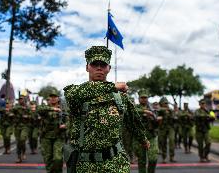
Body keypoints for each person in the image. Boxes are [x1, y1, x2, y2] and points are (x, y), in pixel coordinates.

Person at [63, 45, 150, 173]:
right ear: (87, 67)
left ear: (109, 68)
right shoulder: (77, 94)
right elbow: (71, 93)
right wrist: (113, 86)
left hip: (116, 162)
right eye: (94, 64)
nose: (99, 67)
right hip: (86, 165)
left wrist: (143, 139)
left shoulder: (120, 97)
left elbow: (133, 121)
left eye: (103, 64)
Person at [38, 90, 68, 173]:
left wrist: (65, 125)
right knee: (48, 159)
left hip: (59, 137)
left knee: (58, 158)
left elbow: (70, 121)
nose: (53, 98)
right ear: (49, 98)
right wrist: (53, 109)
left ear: (58, 98)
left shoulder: (63, 109)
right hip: (46, 137)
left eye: (55, 97)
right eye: (51, 97)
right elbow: (39, 109)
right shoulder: (45, 107)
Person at [133, 89, 159, 173]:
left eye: (145, 97)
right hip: (140, 138)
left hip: (151, 136)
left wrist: (154, 118)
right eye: (142, 97)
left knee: (153, 158)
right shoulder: (135, 107)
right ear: (139, 99)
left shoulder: (152, 108)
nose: (144, 99)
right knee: (142, 161)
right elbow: (133, 112)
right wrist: (145, 112)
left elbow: (157, 123)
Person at [12, 96, 31, 163]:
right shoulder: (16, 106)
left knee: (22, 139)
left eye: (21, 99)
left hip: (25, 126)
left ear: (24, 100)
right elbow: (12, 110)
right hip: (17, 126)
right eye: (19, 99)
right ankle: (19, 157)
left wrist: (27, 116)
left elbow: (32, 115)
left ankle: (23, 152)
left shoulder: (28, 107)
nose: (20, 100)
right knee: (18, 142)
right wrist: (20, 107)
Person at [157, 97, 176, 163]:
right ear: (161, 104)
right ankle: (164, 157)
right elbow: (157, 112)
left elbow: (174, 117)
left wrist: (171, 112)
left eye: (166, 103)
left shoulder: (170, 110)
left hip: (170, 127)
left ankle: (172, 157)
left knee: (172, 140)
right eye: (164, 103)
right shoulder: (159, 110)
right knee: (163, 142)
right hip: (162, 128)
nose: (165, 104)